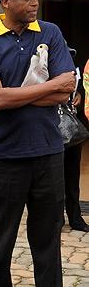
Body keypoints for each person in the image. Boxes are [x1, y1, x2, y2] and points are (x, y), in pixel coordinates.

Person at [0, 0, 77, 287]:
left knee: (47, 244)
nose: (34, 3)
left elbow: (66, 90)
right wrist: (48, 87)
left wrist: (16, 94)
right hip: (3, 158)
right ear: (5, 2)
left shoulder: (50, 33)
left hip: (48, 154)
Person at [63, 46, 89, 232]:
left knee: (72, 175)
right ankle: (56, 219)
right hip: (52, 127)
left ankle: (75, 217)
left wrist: (79, 94)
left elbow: (80, 88)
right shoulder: (42, 67)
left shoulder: (74, 67)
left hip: (72, 127)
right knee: (54, 178)